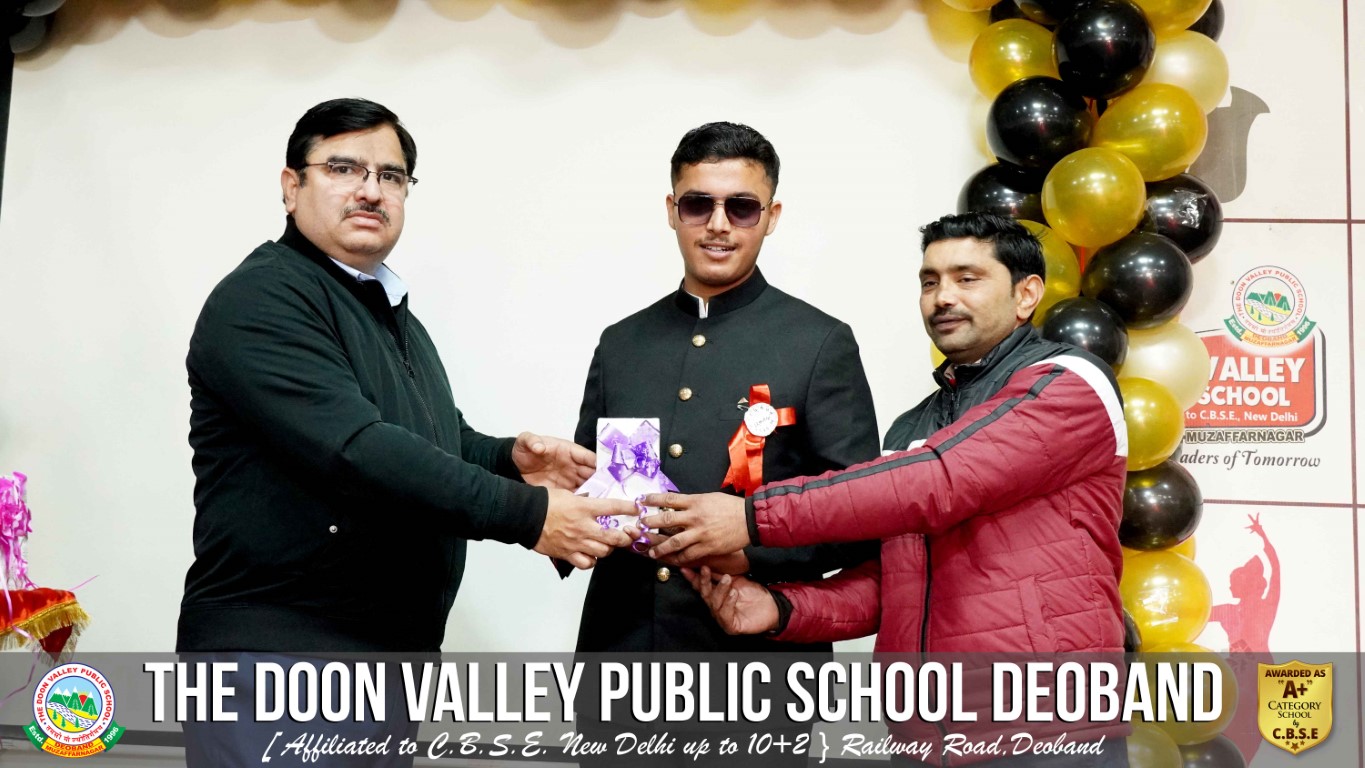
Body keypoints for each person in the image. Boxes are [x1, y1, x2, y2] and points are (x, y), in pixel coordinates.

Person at [642, 211, 1129, 766]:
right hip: (923, 741)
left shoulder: (1070, 383)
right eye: (929, 281)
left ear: (1027, 294)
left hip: (1047, 731)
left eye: (967, 278)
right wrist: (781, 609)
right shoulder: (911, 428)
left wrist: (749, 519)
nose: (943, 297)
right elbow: (894, 583)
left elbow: (941, 479)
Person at [569, 122, 880, 766]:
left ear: (771, 217)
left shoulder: (819, 342)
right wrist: (557, 504)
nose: (718, 225)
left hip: (755, 673)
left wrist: (749, 545)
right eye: (698, 204)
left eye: (741, 207)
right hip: (622, 658)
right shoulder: (622, 343)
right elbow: (592, 490)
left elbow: (859, 516)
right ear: (672, 210)